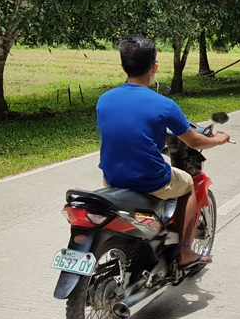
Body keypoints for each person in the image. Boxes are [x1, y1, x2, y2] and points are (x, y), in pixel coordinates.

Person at [96, 35, 230, 268]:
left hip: (111, 177)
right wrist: (218, 140)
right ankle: (185, 252)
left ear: (123, 66)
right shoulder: (164, 105)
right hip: (150, 179)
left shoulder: (104, 100)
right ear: (154, 67)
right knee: (188, 184)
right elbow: (195, 141)